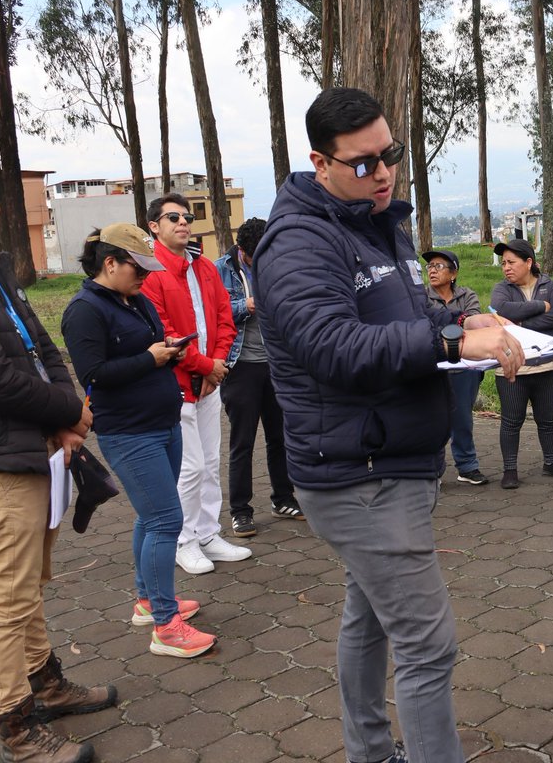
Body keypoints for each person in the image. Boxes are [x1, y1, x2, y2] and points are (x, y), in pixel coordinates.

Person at [253, 87, 523, 763]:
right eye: (363, 164)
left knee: (368, 618)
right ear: (320, 163)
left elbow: (406, 314)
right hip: (359, 475)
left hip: (391, 458)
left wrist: (460, 318)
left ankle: (370, 754)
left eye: (390, 155)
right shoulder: (300, 242)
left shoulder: (378, 222)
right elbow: (335, 348)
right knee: (428, 645)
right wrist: (452, 343)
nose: (383, 174)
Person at [0, 161, 116, 763]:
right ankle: (16, 727)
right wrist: (71, 411)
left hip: (35, 450)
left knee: (29, 585)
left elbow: (42, 347)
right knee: (9, 597)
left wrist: (69, 418)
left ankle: (47, 685)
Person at [61, 224, 214, 659]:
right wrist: (150, 358)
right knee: (166, 519)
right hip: (129, 432)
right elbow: (94, 374)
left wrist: (168, 348)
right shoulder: (85, 310)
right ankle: (166, 627)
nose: (145, 276)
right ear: (110, 263)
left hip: (163, 422)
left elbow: (147, 345)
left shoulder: (135, 299)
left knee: (151, 518)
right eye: (138, 268)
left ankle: (148, 601)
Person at [141, 193, 249, 575]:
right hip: (177, 385)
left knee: (209, 462)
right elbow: (164, 333)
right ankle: (182, 541)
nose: (183, 222)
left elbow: (224, 318)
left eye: (186, 216)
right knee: (189, 468)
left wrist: (217, 365)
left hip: (209, 381)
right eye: (173, 217)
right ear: (154, 226)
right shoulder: (150, 271)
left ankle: (208, 533)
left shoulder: (203, 266)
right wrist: (205, 367)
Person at [216, 217, 302, 537]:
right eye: (255, 256)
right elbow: (213, 312)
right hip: (240, 366)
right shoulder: (221, 269)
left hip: (276, 363)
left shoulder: (277, 263)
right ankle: (240, 510)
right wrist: (245, 305)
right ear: (241, 250)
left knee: (280, 436)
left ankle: (283, 498)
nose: (260, 261)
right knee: (243, 441)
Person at [490, 238, 553, 488]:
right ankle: (510, 471)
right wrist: (539, 306)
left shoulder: (550, 284)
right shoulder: (501, 288)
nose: (506, 267)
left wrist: (520, 324)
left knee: (547, 419)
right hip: (512, 367)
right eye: (503, 263)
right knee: (511, 421)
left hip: (547, 364)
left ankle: (551, 463)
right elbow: (501, 309)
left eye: (511, 262)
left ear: (528, 262)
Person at [422, 248, 488, 486]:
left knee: (462, 417)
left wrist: (447, 328)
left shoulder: (467, 295)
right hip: (432, 364)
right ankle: (432, 471)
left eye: (438, 266)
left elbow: (471, 325)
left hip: (464, 365)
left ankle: (467, 466)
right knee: (430, 418)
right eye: (430, 266)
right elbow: (422, 327)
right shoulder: (421, 296)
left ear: (453, 273)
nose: (432, 270)